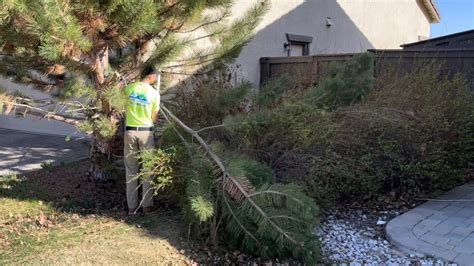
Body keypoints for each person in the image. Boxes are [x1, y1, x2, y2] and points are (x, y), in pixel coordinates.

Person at [123, 67, 160, 214]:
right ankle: (147, 206)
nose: (156, 79)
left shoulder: (129, 88)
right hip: (146, 133)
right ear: (151, 77)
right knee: (148, 169)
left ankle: (132, 207)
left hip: (130, 132)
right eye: (156, 77)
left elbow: (121, 105)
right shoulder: (154, 93)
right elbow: (154, 118)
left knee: (131, 169)